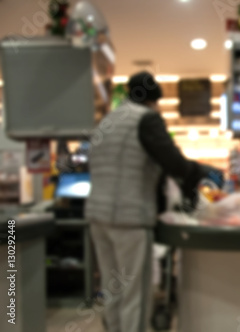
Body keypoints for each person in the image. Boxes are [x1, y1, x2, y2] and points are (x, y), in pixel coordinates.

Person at [85, 71, 210, 332]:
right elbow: (173, 162)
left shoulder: (107, 120)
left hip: (97, 216)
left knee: (112, 289)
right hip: (129, 218)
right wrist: (199, 172)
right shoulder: (147, 119)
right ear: (154, 101)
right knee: (135, 293)